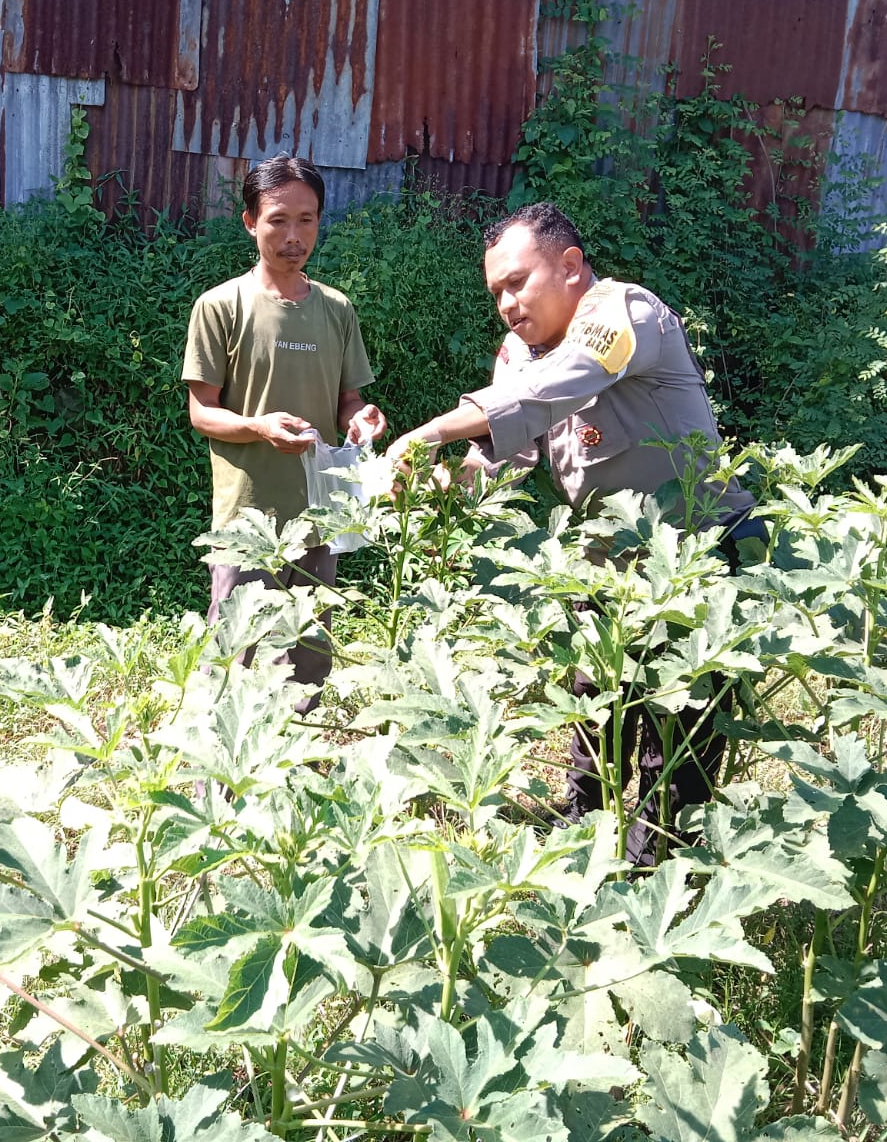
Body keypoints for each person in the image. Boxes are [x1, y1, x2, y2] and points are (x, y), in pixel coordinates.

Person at [386, 201, 760, 865]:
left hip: (695, 554)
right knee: (595, 714)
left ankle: (662, 874)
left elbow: (563, 383)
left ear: (569, 266)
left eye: (518, 281)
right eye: (496, 291)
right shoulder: (521, 355)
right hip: (606, 562)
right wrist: (438, 486)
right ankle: (583, 851)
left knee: (678, 731)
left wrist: (430, 430)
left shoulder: (624, 315)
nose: (507, 302)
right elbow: (499, 460)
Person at [183, 154, 387, 711]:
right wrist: (257, 426)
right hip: (246, 518)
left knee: (306, 657)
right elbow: (202, 413)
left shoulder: (337, 310)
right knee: (235, 657)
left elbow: (350, 401)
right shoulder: (221, 306)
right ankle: (217, 790)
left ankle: (295, 782)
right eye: (278, 220)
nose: (293, 236)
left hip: (319, 514)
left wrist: (360, 419)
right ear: (250, 221)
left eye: (307, 219)